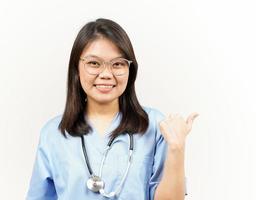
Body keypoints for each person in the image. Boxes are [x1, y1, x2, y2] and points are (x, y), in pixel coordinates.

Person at [26, 18, 198, 200]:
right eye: (94, 63)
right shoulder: (53, 134)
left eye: (118, 64)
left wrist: (177, 148)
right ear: (77, 68)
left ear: (130, 70)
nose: (106, 74)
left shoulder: (155, 126)